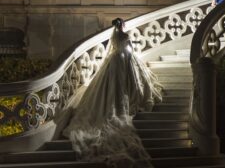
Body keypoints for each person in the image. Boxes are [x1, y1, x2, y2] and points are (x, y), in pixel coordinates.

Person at [63, 18, 162, 167]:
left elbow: (113, 48)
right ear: (121, 25)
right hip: (125, 58)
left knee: (114, 84)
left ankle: (117, 99)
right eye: (124, 23)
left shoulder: (116, 36)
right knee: (126, 83)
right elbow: (130, 49)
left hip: (115, 59)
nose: (125, 25)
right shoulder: (124, 35)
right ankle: (127, 100)